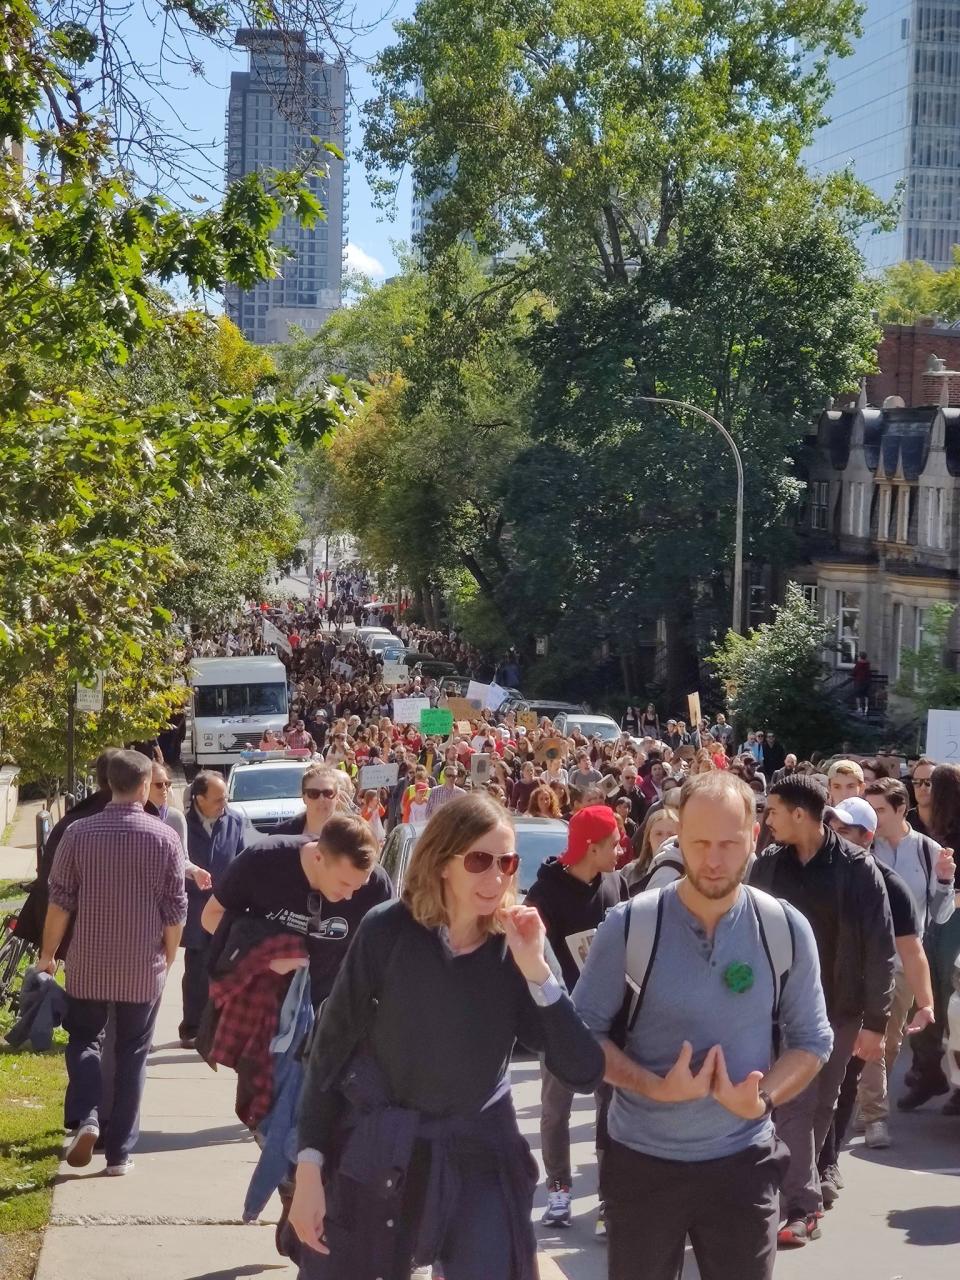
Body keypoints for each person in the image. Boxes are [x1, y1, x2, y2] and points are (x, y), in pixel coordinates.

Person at [286, 794, 604, 1278]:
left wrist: (537, 971)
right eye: (479, 860)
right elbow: (329, 1052)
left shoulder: (516, 944)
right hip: (384, 1144)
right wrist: (309, 1169)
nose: (496, 877)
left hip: (479, 1151)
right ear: (442, 863)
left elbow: (582, 1069)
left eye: (507, 862)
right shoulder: (387, 930)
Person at [573, 772, 832, 1280]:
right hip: (642, 1162)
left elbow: (812, 1039)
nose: (713, 860)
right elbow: (583, 1032)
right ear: (677, 841)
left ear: (754, 838)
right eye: (700, 843)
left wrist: (763, 1099)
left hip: (744, 1163)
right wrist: (651, 1086)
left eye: (729, 844)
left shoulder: (784, 928)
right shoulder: (629, 926)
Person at [751, 775, 895, 1245]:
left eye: (772, 811)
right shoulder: (769, 866)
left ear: (799, 814)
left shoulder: (857, 868)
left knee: (820, 1107)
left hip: (840, 1009)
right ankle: (802, 1206)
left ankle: (797, 1191)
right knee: (792, 1104)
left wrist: (876, 1022)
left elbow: (880, 948)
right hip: (781, 1010)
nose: (766, 820)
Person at [38, 750, 187, 1176]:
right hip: (142, 966)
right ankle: (120, 1153)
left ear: (107, 784)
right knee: (132, 1053)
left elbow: (60, 902)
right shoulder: (164, 838)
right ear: (144, 786)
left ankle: (86, 1115)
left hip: (89, 963)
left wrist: (48, 955)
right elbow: (175, 909)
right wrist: (169, 956)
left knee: (85, 1039)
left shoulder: (78, 834)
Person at [817, 797, 936, 1198]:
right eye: (831, 826)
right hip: (809, 998)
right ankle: (806, 1166)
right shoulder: (803, 870)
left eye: (845, 830)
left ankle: (827, 1161)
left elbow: (911, 949)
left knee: (843, 1082)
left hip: (860, 1003)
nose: (835, 835)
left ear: (867, 837)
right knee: (809, 1087)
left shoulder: (890, 886)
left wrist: (926, 1003)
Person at [524, 805, 628, 1233]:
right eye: (614, 842)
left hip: (610, 1018)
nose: (621, 850)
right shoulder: (544, 894)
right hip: (561, 1019)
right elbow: (530, 957)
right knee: (555, 1110)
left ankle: (609, 1198)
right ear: (591, 847)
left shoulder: (615, 883)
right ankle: (560, 1191)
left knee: (610, 1108)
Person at [201, 813, 394, 1011]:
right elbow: (210, 916)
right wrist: (265, 956)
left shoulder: (377, 886)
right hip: (259, 1004)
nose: (349, 896)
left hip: (332, 1008)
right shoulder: (263, 860)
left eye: (359, 886)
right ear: (318, 857)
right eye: (343, 883)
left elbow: (388, 952)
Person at [861, 777, 955, 1143]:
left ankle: (867, 1102)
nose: (873, 818)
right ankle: (874, 1115)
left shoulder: (928, 850)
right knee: (871, 1036)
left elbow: (942, 915)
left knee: (890, 1042)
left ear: (901, 809)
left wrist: (945, 881)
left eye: (880, 810)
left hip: (906, 962)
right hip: (867, 957)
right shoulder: (864, 846)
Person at [903, 761, 960, 1116]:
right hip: (933, 924)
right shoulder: (920, 825)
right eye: (918, 783)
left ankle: (953, 1084)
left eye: (930, 786)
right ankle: (927, 1073)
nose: (922, 790)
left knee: (950, 1004)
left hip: (953, 925)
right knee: (924, 999)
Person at [179, 771, 251, 1050]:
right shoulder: (184, 825)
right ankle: (193, 1027)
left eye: (226, 797)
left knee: (225, 968)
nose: (225, 803)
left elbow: (243, 859)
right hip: (196, 908)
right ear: (199, 798)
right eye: (218, 798)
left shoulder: (233, 820)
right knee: (197, 971)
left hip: (225, 908)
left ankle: (222, 1027)